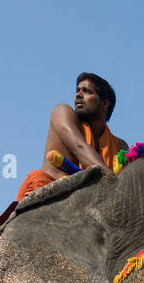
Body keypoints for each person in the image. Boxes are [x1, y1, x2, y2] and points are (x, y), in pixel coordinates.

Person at [15, 73, 128, 202]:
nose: (78, 95)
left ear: (105, 103)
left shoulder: (120, 146)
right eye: (78, 90)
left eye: (86, 91)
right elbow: (80, 148)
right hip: (49, 196)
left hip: (91, 204)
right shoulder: (62, 112)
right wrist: (116, 185)